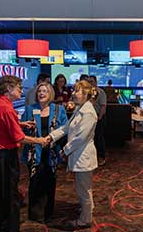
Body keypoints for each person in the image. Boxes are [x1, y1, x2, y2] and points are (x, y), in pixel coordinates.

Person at [0, 75, 46, 232]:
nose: (21, 90)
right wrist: (40, 140)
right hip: (3, 157)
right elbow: (19, 137)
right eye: (19, 88)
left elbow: (0, 122)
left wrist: (19, 123)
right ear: (9, 89)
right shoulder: (6, 108)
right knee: (10, 196)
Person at [46, 80, 98, 230]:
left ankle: (85, 220)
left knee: (84, 189)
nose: (73, 93)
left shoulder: (88, 113)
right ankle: (88, 209)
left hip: (83, 155)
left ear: (86, 94)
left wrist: (65, 150)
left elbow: (81, 138)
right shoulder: (80, 109)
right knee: (83, 187)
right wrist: (51, 136)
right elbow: (66, 128)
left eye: (76, 91)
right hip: (79, 154)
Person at [21, 82, 68, 223]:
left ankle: (48, 213)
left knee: (50, 182)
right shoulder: (30, 109)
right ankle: (36, 213)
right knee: (35, 182)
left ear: (50, 94)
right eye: (39, 91)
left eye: (44, 91)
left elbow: (65, 129)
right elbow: (21, 130)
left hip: (52, 152)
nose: (41, 93)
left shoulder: (58, 110)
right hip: (34, 152)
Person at [88, 75, 107, 166]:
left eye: (91, 81)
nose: (90, 83)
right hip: (88, 119)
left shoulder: (101, 92)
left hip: (98, 117)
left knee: (99, 138)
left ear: (96, 82)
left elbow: (103, 106)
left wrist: (99, 118)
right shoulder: (87, 93)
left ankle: (101, 157)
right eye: (89, 81)